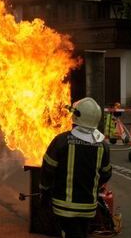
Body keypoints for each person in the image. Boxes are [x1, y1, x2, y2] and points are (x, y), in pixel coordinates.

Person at [40, 97, 112, 238]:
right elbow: (106, 174)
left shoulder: (61, 141)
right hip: (89, 208)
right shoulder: (103, 146)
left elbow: (47, 170)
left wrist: (45, 190)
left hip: (63, 208)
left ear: (76, 117)